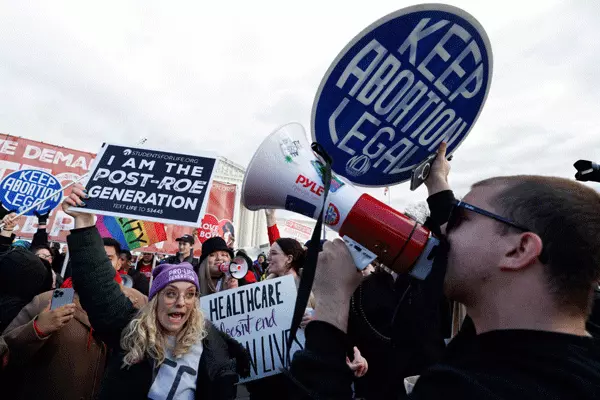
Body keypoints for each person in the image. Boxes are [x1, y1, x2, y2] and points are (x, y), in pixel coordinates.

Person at [289, 143, 600, 399]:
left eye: (463, 219)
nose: (441, 236)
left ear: (519, 250)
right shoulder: (566, 362)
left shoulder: (468, 390)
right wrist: (437, 183)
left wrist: (330, 305)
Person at [61, 185, 250, 399]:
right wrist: (84, 223)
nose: (181, 302)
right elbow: (98, 287)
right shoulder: (132, 330)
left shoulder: (212, 345)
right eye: (170, 293)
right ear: (156, 300)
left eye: (190, 294)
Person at [2, 255, 147, 400]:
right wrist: (37, 329)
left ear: (118, 263)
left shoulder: (136, 301)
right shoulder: (57, 299)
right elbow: (6, 352)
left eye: (107, 258)